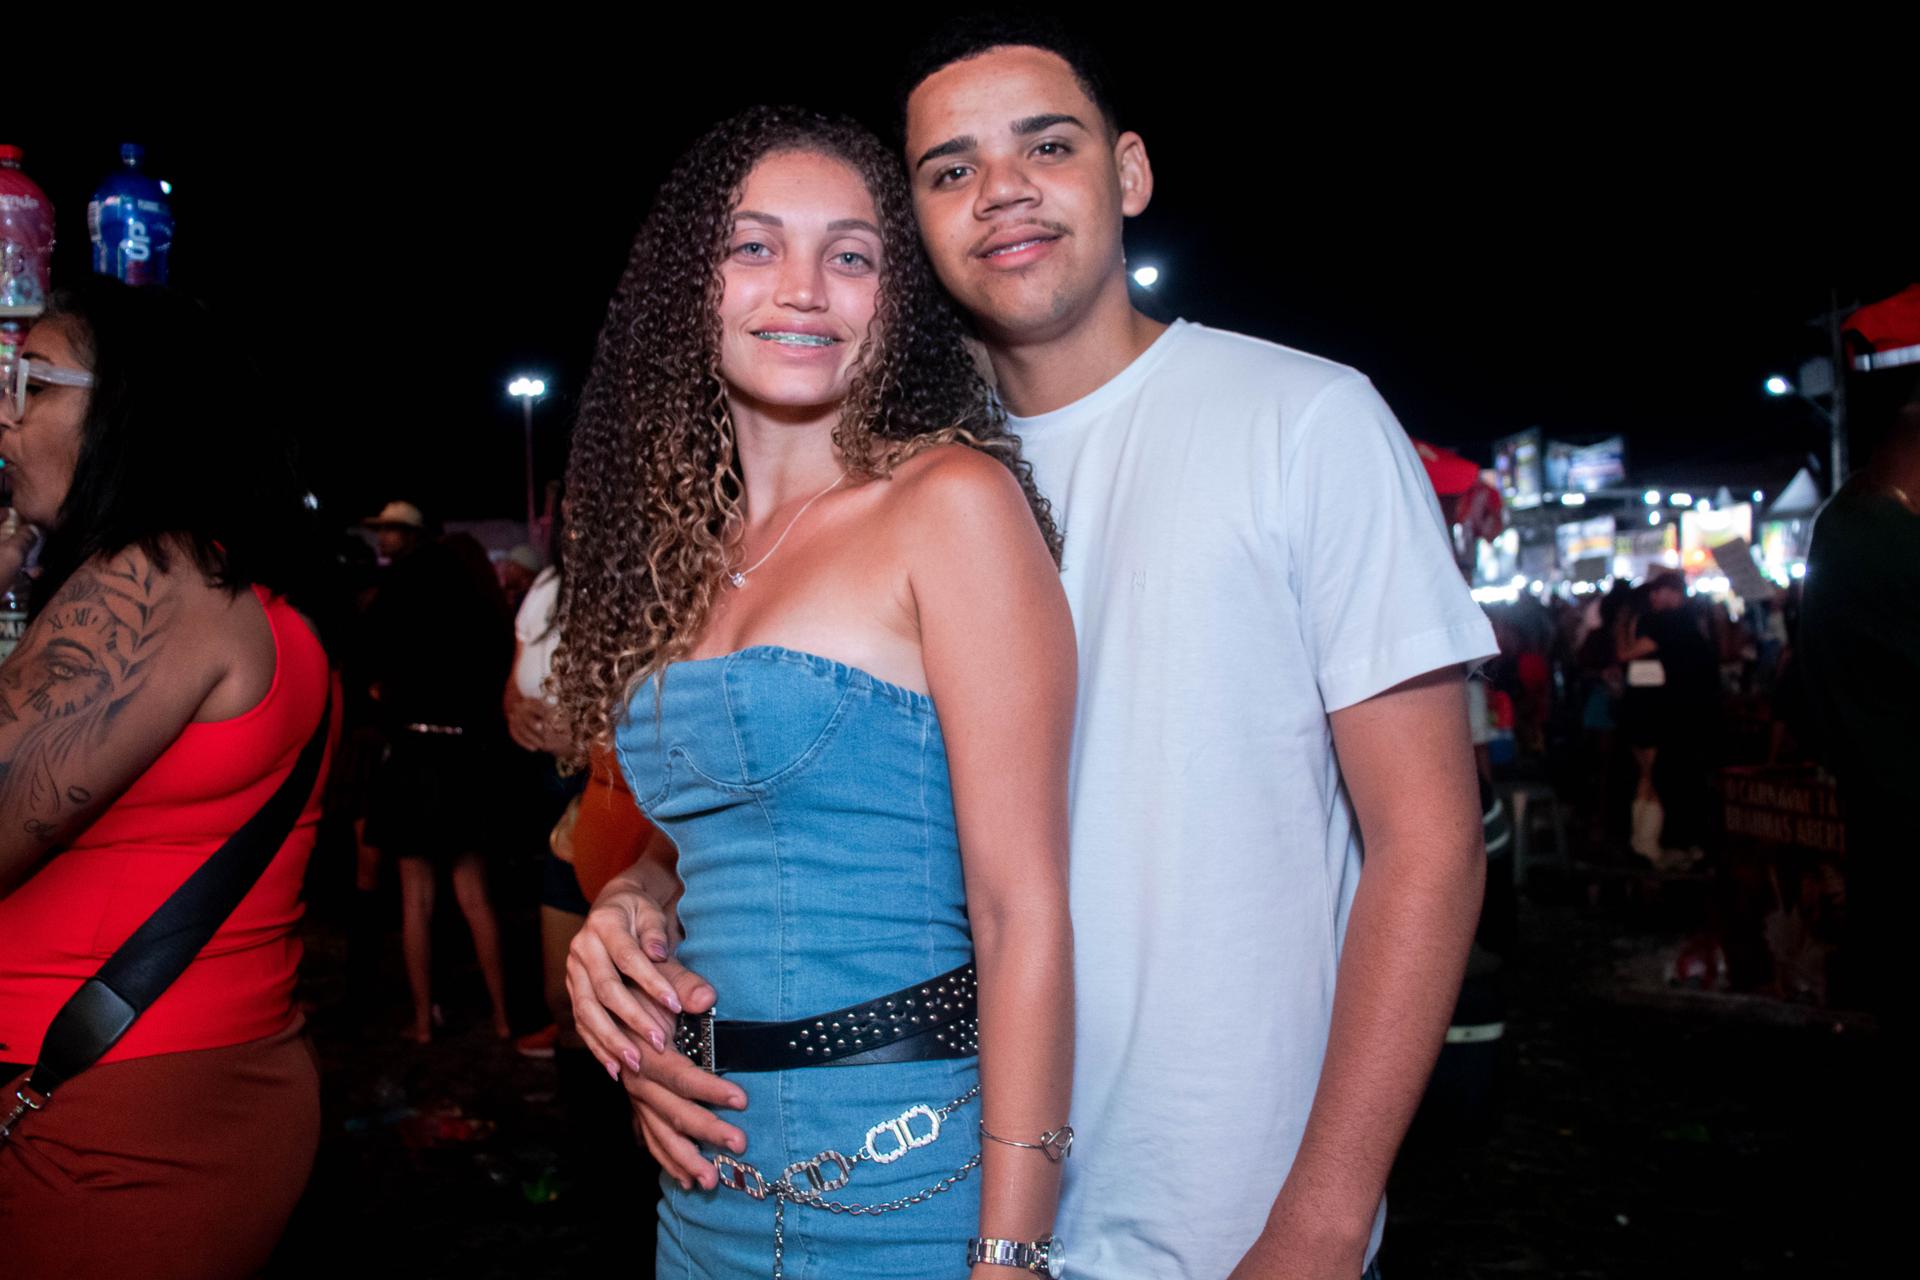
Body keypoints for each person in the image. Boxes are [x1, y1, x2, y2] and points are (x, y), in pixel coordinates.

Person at [571, 19, 1495, 1280]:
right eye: (950, 169)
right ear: (915, 227)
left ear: (1130, 172)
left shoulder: (1301, 418)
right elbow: (845, 793)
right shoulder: (890, 471)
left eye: (1046, 147)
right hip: (937, 1161)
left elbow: (1430, 841)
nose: (1001, 189)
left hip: (1222, 1201)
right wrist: (647, 894)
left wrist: (1323, 1220)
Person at [551, 105, 1076, 1277]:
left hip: (907, 1184)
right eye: (754, 246)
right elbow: (734, 826)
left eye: (851, 255)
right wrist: (630, 901)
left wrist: (1013, 1253)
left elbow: (1024, 909)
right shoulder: (686, 559)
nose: (802, 288)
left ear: (896, 301)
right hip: (702, 1184)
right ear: (691, 287)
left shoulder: (949, 503)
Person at [0, 277, 335, 1279]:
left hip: (107, 1118)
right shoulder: (229, 585)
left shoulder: (150, 578)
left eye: (33, 385)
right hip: (160, 1090)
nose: (5, 418)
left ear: (130, 410)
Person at [361, 503, 517, 1043]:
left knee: (416, 899)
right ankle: (502, 1019)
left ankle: (424, 1022)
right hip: (462, 752)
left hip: (413, 750)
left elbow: (371, 668)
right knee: (474, 895)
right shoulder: (470, 594)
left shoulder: (398, 592)